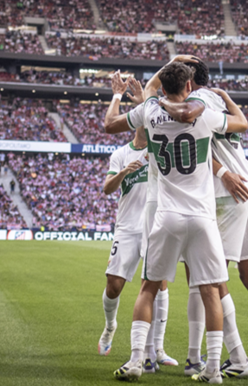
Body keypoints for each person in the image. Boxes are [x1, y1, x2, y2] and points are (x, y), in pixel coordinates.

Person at [108, 62, 248, 383]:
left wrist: (126, 97)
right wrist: (226, 98)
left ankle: (136, 360)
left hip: (166, 215)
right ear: (189, 86)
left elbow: (110, 125)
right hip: (201, 216)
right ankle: (212, 369)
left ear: (163, 87)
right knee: (210, 290)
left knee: (148, 288)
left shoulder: (150, 111)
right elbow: (241, 123)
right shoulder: (204, 115)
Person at [162, 58, 248, 376]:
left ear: (189, 80)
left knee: (211, 278)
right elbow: (241, 124)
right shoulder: (218, 98)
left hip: (227, 192)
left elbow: (197, 149)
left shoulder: (194, 101)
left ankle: (238, 358)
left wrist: (222, 173)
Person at [98, 128, 150, 357]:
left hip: (154, 227)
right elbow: (107, 189)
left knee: (155, 286)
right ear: (136, 123)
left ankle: (154, 349)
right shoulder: (120, 154)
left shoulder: (159, 149)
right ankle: (110, 326)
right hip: (127, 226)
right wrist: (124, 172)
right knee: (114, 285)